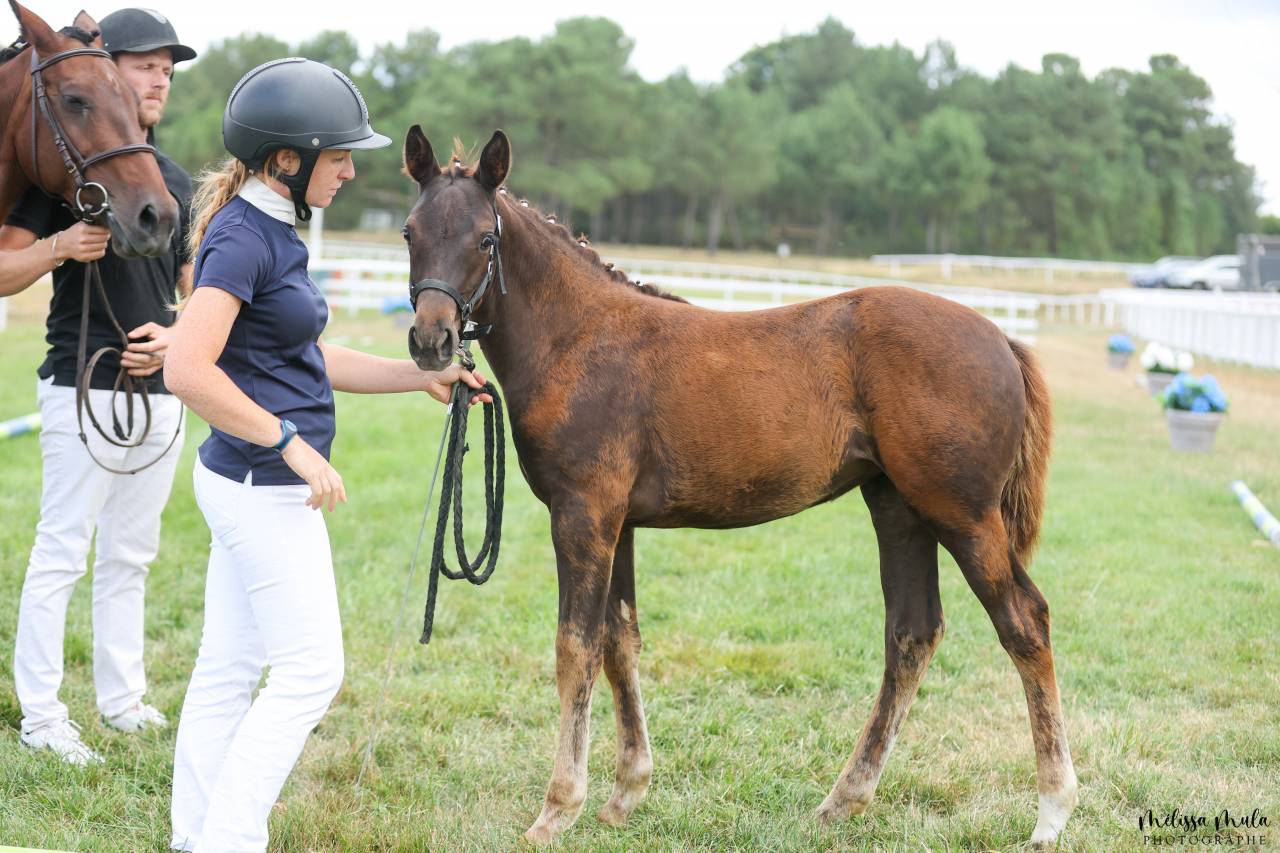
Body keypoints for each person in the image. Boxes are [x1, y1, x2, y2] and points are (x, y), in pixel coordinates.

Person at [163, 57, 490, 853]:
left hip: (249, 481)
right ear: (288, 158)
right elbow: (186, 368)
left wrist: (422, 376)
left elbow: (307, 356)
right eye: (339, 156)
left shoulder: (270, 227)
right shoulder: (245, 238)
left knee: (228, 667)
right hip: (262, 484)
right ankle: (229, 839)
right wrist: (290, 443)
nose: (349, 171)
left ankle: (198, 837)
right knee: (311, 671)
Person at [0, 7, 197, 766]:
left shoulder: (170, 182)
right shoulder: (63, 171)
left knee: (131, 556)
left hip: (160, 396)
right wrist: (59, 246)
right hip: (80, 385)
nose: (158, 82)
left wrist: (178, 338)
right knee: (62, 552)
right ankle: (42, 715)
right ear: (109, 73)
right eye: (145, 67)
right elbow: (3, 267)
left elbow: (196, 291)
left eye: (167, 72)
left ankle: (122, 700)